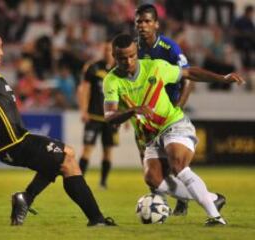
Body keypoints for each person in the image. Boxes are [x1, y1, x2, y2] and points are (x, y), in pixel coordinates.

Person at [0, 25, 116, 227]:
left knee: (57, 163)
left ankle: (25, 199)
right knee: (68, 156)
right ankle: (96, 219)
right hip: (14, 141)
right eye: (0, 47)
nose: (3, 52)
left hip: (10, 143)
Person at [103, 33, 245, 226]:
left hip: (173, 124)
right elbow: (110, 117)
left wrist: (222, 78)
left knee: (177, 163)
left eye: (132, 56)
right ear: (113, 55)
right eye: (122, 58)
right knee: (152, 178)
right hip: (151, 136)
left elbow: (189, 73)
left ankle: (216, 217)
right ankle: (211, 198)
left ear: (136, 52)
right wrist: (133, 110)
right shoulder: (111, 81)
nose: (128, 61)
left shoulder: (155, 67)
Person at [135, 3, 193, 215]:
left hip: (167, 115)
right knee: (147, 159)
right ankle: (158, 201)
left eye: (147, 21)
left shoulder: (169, 48)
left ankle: (182, 200)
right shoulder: (133, 50)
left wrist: (178, 107)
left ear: (156, 24)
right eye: (139, 21)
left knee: (171, 161)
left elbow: (188, 79)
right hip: (143, 116)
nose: (143, 25)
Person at [77, 41, 118, 189]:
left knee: (108, 151)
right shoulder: (93, 68)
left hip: (111, 118)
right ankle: (79, 182)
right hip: (93, 116)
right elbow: (84, 89)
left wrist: (125, 118)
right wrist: (83, 110)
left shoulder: (119, 70)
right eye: (105, 49)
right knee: (87, 148)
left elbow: (125, 94)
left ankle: (103, 182)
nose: (108, 52)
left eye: (110, 50)